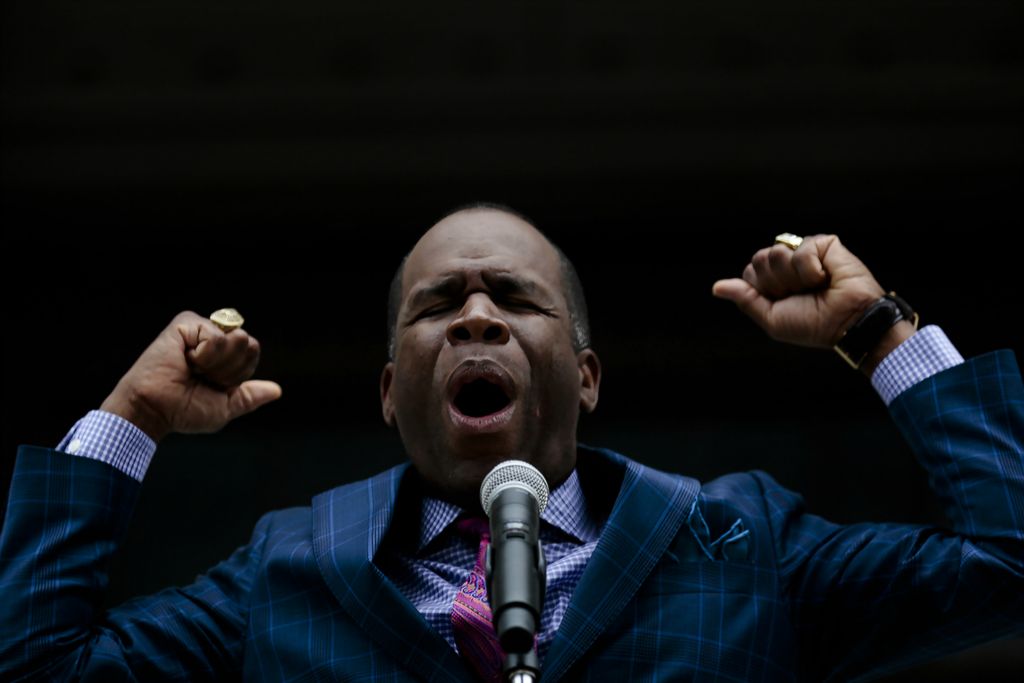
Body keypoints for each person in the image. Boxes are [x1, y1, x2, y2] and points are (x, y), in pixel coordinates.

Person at [1, 205, 1021, 682]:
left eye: (514, 298)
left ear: (584, 375)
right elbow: (36, 667)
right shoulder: (280, 573)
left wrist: (875, 331)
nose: (475, 316)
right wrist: (130, 418)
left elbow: (1007, 564)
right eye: (439, 302)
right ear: (394, 393)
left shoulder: (743, 541)